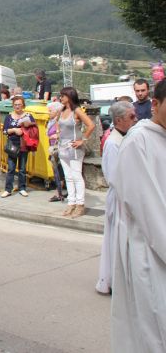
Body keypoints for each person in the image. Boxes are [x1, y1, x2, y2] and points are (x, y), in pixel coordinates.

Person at [110, 80, 166, 352]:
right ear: (154, 104)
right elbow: (148, 208)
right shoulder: (138, 141)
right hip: (151, 252)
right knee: (154, 328)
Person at [95, 101, 136, 295]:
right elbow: (113, 176)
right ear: (119, 120)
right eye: (131, 117)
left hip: (126, 195)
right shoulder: (112, 142)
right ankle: (111, 280)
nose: (135, 120)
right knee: (115, 240)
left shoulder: (125, 138)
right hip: (119, 197)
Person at [57, 87, 95, 218]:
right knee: (68, 176)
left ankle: (80, 204)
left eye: (62, 96)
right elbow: (58, 125)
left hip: (74, 147)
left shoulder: (77, 110)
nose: (60, 98)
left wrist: (82, 140)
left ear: (69, 96)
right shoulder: (62, 110)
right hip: (62, 146)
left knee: (76, 176)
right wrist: (57, 133)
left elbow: (91, 125)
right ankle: (71, 203)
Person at [2, 96, 36, 198]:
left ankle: (22, 188)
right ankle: (8, 189)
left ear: (23, 105)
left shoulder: (28, 115)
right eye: (15, 105)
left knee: (22, 168)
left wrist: (27, 126)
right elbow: (4, 131)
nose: (17, 106)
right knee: (11, 168)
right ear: (13, 105)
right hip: (12, 145)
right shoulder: (9, 117)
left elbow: (34, 130)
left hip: (24, 145)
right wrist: (13, 130)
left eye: (19, 104)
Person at [46, 102, 66, 202]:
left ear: (57, 111)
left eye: (50, 111)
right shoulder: (52, 121)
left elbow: (65, 132)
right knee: (57, 171)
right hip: (53, 148)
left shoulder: (59, 121)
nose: (48, 112)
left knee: (59, 171)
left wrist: (57, 136)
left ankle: (59, 193)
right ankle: (59, 192)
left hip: (58, 148)